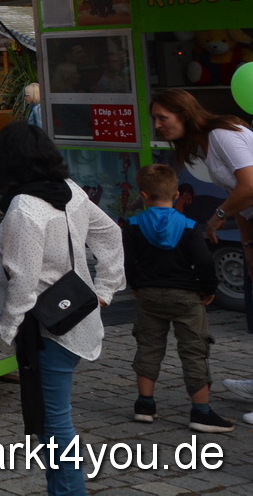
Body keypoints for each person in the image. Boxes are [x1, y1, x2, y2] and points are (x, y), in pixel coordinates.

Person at [0, 121, 126, 495]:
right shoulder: (70, 191)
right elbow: (111, 233)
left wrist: (6, 331)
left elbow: (23, 280)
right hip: (77, 316)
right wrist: (104, 289)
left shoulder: (24, 208)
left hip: (48, 328)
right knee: (52, 422)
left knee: (55, 423)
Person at [122, 162, 233, 432]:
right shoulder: (189, 226)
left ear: (144, 195)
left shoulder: (133, 225)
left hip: (149, 294)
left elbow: (128, 261)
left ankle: (145, 405)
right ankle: (201, 412)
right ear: (176, 195)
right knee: (194, 350)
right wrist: (208, 289)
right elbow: (204, 262)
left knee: (148, 346)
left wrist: (136, 286)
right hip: (186, 296)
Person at [149, 87, 253, 343]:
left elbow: (249, 186)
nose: (158, 125)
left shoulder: (221, 134)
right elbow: (239, 195)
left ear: (184, 114)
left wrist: (218, 215)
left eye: (163, 118)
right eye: (155, 119)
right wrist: (248, 247)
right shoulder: (205, 144)